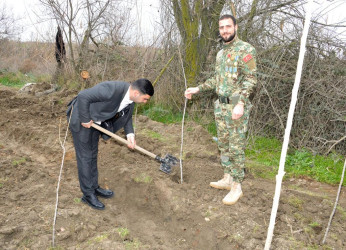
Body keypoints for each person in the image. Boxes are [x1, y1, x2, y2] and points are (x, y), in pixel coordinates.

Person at [184, 15, 257, 205]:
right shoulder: (220, 54)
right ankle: (228, 177)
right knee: (224, 145)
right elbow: (217, 80)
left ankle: (237, 186)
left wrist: (240, 103)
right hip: (221, 106)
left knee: (236, 147)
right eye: (221, 27)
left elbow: (250, 80)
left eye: (228, 26)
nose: (225, 30)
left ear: (236, 27)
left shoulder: (246, 50)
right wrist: (198, 88)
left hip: (236, 106)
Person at [66, 79, 154, 210]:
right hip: (81, 118)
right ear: (136, 93)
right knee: (85, 157)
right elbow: (83, 95)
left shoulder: (130, 98)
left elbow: (127, 116)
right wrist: (85, 119)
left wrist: (130, 135)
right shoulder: (111, 90)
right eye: (145, 99)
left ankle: (94, 187)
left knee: (93, 154)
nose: (145, 102)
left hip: (96, 122)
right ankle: (88, 194)